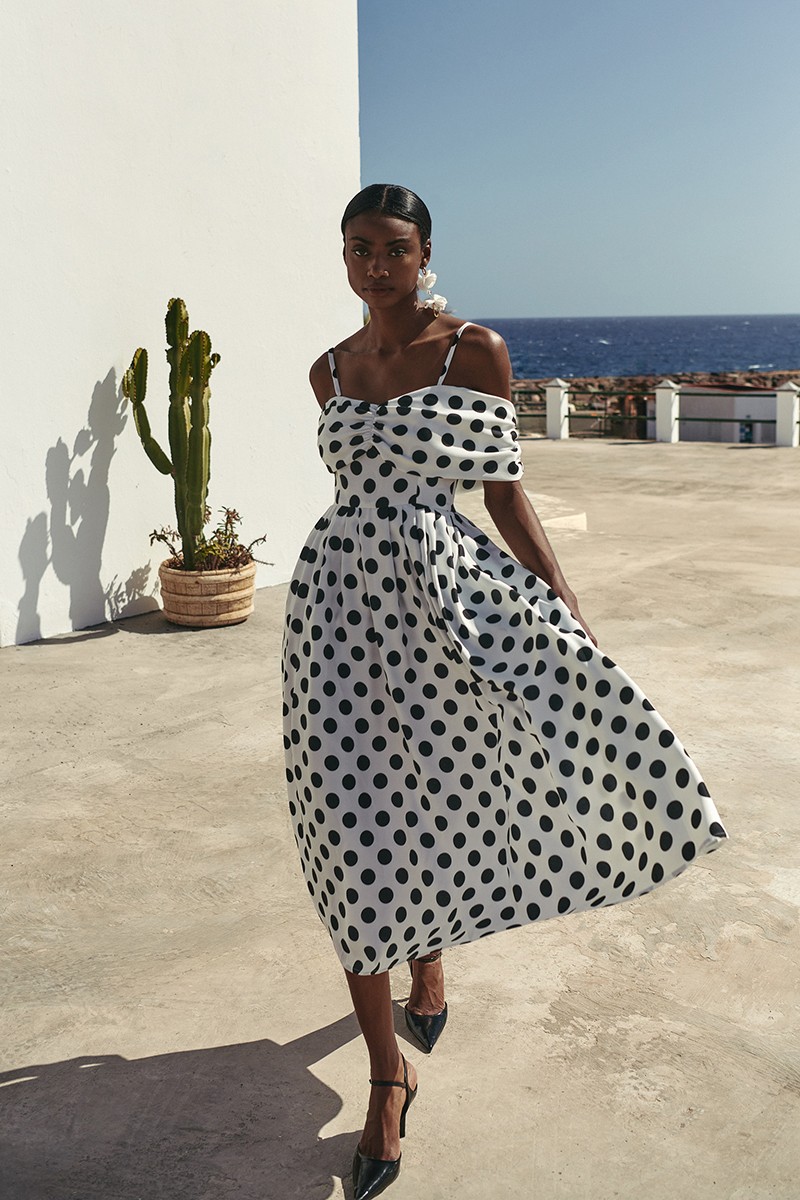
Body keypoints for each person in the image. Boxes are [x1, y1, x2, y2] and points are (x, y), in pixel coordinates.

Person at [281, 183, 727, 1200]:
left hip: (447, 603)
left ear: (423, 251)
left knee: (439, 792)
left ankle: (426, 956)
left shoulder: (471, 350)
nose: (373, 265)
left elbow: (501, 490)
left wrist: (562, 602)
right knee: (349, 833)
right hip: (337, 620)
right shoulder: (328, 370)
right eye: (356, 249)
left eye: (391, 248)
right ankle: (387, 1078)